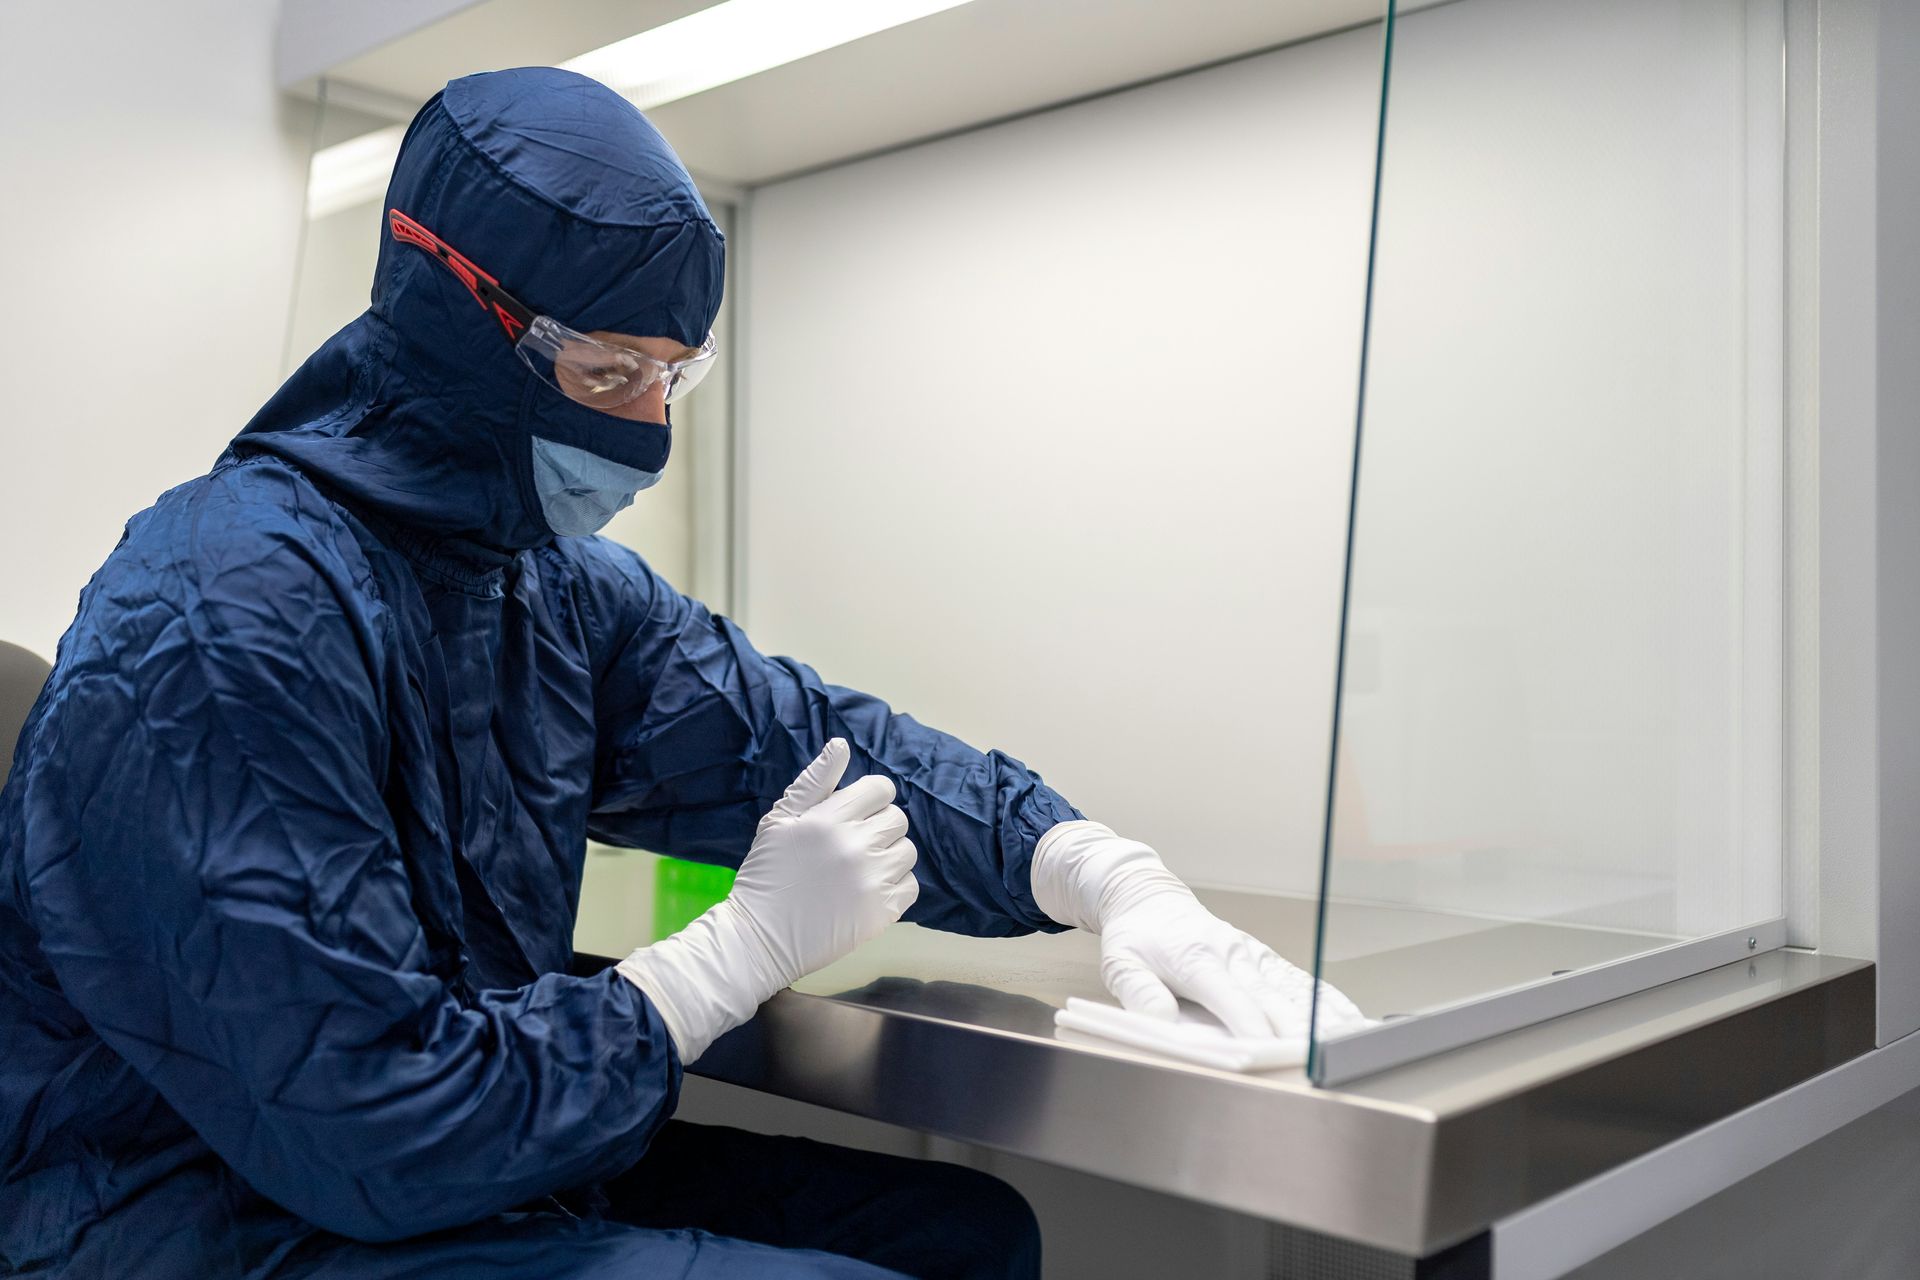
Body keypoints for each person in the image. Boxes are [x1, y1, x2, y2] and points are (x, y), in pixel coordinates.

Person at [0, 67, 1352, 1280]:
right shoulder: (220, 615)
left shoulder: (535, 581)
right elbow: (367, 1124)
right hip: (199, 1216)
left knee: (968, 1233)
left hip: (447, 1162)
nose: (645, 435)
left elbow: (797, 742)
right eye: (607, 372)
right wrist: (725, 959)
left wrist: (1089, 868)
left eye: (671, 376)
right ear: (459, 317)